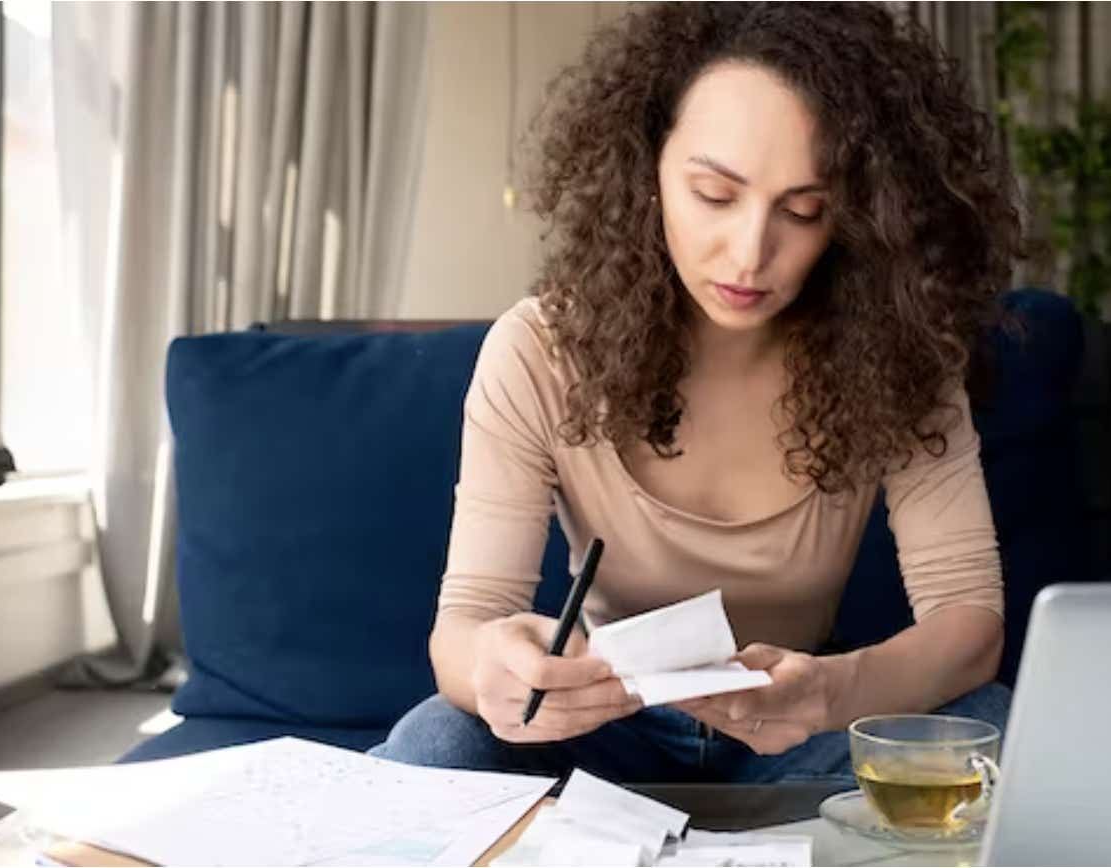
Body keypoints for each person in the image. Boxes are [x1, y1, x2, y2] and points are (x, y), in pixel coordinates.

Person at [370, 2, 1022, 785]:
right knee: (439, 742)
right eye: (716, 194)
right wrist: (497, 674)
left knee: (994, 726)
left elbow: (969, 623)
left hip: (802, 737)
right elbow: (466, 627)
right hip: (605, 733)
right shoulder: (539, 351)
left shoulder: (899, 351)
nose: (751, 253)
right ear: (647, 167)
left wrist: (832, 692)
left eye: (804, 210)